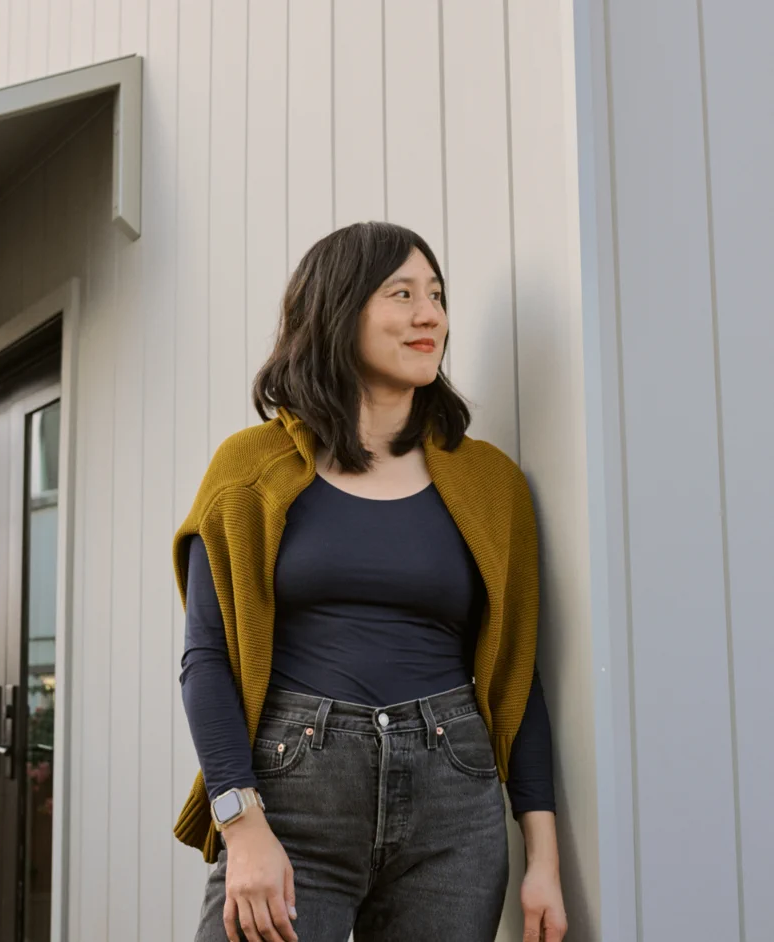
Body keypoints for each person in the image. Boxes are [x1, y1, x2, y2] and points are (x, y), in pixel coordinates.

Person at [173, 222, 568, 942]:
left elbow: (517, 679)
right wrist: (242, 826)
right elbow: (206, 660)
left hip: (454, 803)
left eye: (438, 296)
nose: (430, 315)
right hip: (292, 803)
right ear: (337, 308)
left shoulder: (490, 484)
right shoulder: (248, 471)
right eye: (402, 294)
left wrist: (542, 855)